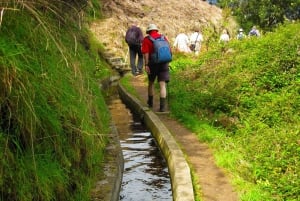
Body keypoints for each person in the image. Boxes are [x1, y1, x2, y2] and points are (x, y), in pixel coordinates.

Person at [141, 24, 171, 112]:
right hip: (164, 63)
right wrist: (167, 62)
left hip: (153, 64)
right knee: (162, 85)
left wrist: (146, 65)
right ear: (156, 30)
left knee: (151, 83)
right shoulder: (163, 38)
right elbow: (169, 50)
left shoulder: (147, 40)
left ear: (148, 31)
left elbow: (146, 53)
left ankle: (150, 103)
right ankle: (162, 107)